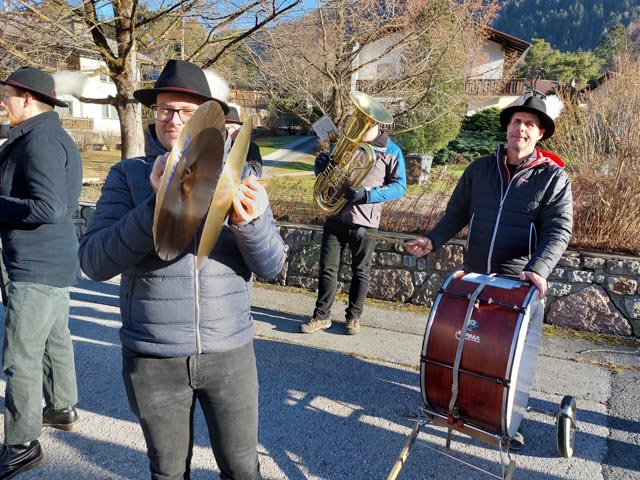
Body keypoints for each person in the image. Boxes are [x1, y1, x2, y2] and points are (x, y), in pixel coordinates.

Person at [78, 59, 285, 480]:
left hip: (230, 353)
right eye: (164, 109)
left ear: (209, 119)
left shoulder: (241, 174)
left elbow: (272, 265)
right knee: (168, 473)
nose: (173, 120)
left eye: (187, 111)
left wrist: (251, 225)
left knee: (243, 470)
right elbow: (93, 262)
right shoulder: (128, 176)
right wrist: (156, 204)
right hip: (153, 357)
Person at [406, 95, 572, 449]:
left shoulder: (553, 177)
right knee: (468, 346)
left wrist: (538, 269)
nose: (521, 128)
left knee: (507, 360)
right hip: (475, 276)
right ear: (507, 127)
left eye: (530, 124)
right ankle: (460, 405)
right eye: (516, 121)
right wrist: (433, 240)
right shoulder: (479, 169)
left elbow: (559, 230)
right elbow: (455, 214)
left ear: (540, 133)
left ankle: (506, 420)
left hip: (517, 283)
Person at [0, 67, 81, 479]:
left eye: (8, 95)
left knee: (20, 355)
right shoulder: (47, 134)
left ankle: (22, 444)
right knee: (53, 338)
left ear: (27, 99)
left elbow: (48, 208)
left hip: (35, 264)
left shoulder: (40, 140)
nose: (4, 102)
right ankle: (61, 408)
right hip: (52, 260)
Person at [300, 119, 406, 335]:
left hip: (365, 219)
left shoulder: (392, 150)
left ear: (377, 124)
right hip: (335, 214)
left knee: (361, 271)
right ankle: (321, 316)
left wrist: (367, 195)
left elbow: (400, 186)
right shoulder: (345, 143)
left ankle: (353, 318)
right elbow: (327, 175)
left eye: (367, 123)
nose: (361, 127)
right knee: (327, 268)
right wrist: (320, 167)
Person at [225, 106, 263, 178]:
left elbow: (256, 173)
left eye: (228, 128)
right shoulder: (216, 146)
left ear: (237, 130)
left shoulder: (251, 147)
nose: (224, 132)